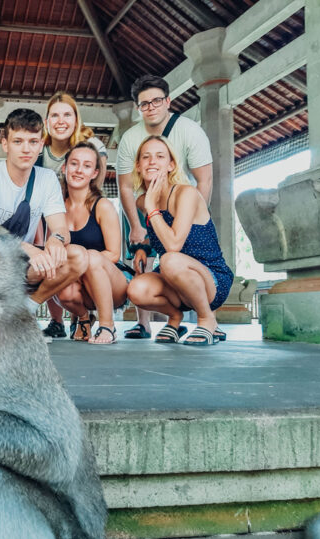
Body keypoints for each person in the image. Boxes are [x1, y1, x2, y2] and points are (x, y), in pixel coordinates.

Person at [116, 74, 214, 341]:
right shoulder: (130, 138)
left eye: (156, 100)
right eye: (144, 104)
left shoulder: (190, 131)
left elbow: (204, 179)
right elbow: (125, 186)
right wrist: (136, 226)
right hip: (144, 203)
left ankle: (208, 318)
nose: (151, 107)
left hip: (181, 201)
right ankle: (144, 323)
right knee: (142, 262)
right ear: (138, 108)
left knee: (179, 257)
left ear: (168, 101)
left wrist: (193, 217)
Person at [0, 108, 87, 319]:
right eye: (18, 141)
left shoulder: (47, 178)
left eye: (33, 142)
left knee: (77, 255)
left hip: (25, 266)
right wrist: (28, 248)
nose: (26, 149)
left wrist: (56, 241)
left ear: (41, 145)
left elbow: (60, 228)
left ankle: (26, 310)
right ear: (5, 145)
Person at [126, 136, 232, 346]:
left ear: (171, 165)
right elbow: (158, 230)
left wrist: (152, 207)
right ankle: (175, 318)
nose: (152, 161)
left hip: (211, 278)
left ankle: (206, 319)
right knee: (135, 289)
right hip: (173, 278)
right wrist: (143, 248)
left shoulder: (186, 193)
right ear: (138, 166)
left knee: (170, 259)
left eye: (160, 156)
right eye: (145, 157)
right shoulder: (142, 201)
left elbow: (173, 244)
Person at [36, 92, 109, 339]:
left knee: (81, 258)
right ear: (47, 121)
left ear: (76, 119)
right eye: (54, 115)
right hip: (51, 213)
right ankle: (56, 320)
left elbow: (95, 185)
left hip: (83, 209)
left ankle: (88, 316)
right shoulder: (40, 149)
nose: (61, 120)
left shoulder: (93, 146)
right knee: (52, 257)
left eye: (67, 114)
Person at [55, 143, 128, 344]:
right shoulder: (56, 207)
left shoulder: (102, 206)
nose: (79, 170)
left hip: (112, 283)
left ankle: (108, 326)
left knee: (93, 257)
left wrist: (80, 265)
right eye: (74, 164)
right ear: (64, 168)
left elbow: (114, 253)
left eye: (86, 166)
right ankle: (84, 319)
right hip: (79, 284)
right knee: (64, 290)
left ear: (94, 173)